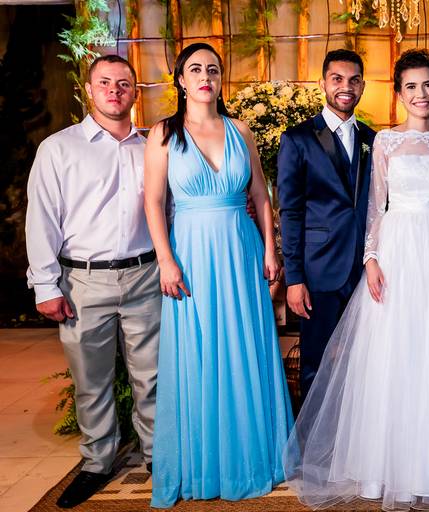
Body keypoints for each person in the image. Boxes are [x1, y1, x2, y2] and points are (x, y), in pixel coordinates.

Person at [283, 49, 429, 511]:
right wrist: (372, 258)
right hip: (397, 249)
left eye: (428, 85)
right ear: (398, 93)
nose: (421, 94)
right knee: (394, 354)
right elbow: (375, 208)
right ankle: (388, 462)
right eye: (411, 87)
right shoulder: (383, 141)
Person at [144, 42, 293, 508]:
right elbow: (153, 202)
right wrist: (165, 260)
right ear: (181, 80)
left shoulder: (240, 129)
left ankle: (251, 454)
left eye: (212, 69)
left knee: (244, 344)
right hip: (189, 254)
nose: (205, 76)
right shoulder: (163, 133)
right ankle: (203, 460)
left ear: (220, 78)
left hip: (240, 250)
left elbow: (261, 195)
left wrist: (270, 249)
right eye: (195, 69)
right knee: (199, 349)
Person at [25, 55, 159, 509]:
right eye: (105, 82)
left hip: (145, 275)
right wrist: (45, 286)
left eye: (123, 83)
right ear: (89, 89)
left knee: (152, 376)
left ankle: (157, 457)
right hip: (82, 281)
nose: (114, 91)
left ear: (135, 92)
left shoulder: (152, 146)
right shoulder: (59, 148)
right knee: (91, 380)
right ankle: (98, 463)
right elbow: (41, 219)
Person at [277, 49, 376, 399]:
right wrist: (295, 279)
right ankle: (311, 435)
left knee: (364, 363)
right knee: (316, 365)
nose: (345, 87)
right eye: (337, 79)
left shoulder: (373, 140)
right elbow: (290, 212)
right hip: (319, 271)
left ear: (362, 86)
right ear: (322, 83)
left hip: (364, 270)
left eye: (353, 80)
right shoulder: (298, 139)